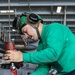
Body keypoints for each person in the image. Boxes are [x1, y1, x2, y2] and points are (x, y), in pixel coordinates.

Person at [2, 12, 75, 75]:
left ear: (33, 22)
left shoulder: (54, 29)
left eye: (25, 31)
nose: (26, 36)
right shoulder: (41, 46)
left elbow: (53, 54)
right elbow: (44, 68)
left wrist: (22, 57)